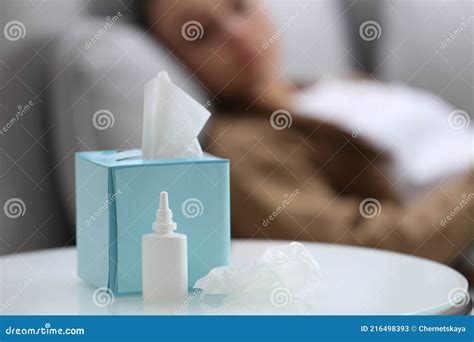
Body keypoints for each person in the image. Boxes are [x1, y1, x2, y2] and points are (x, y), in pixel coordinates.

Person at [138, 0, 473, 268]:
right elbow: (365, 248)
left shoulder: (334, 85)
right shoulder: (242, 148)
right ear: (173, 58)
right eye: (200, 34)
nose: (237, 34)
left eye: (238, 6)